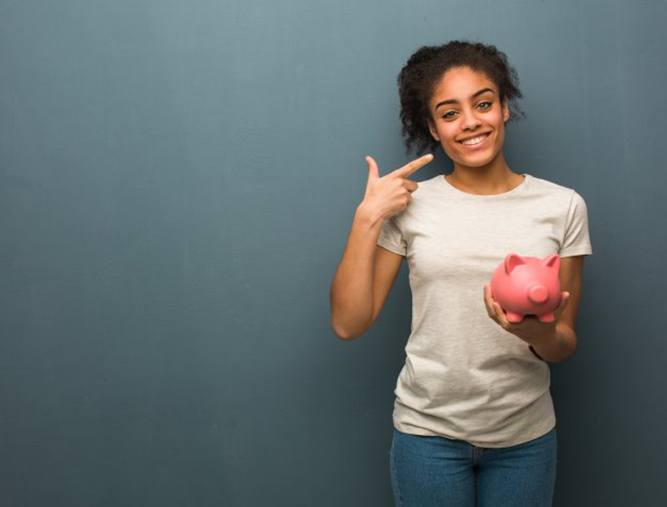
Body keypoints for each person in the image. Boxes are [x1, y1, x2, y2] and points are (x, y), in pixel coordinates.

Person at [329, 40, 592, 506]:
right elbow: (349, 324)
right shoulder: (410, 206)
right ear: (432, 126)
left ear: (504, 108)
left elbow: (563, 345)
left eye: (483, 104)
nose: (470, 122)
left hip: (524, 439)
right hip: (427, 437)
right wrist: (366, 218)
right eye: (449, 114)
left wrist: (535, 331)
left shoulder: (562, 206)